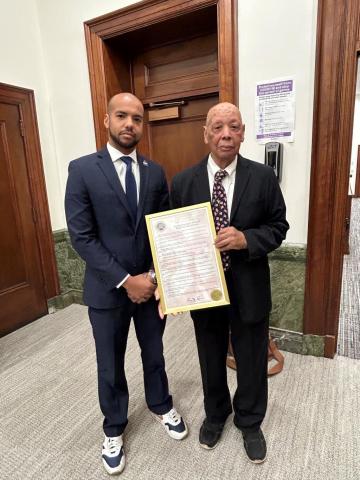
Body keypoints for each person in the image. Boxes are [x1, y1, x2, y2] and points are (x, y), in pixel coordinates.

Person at [65, 92, 187, 475]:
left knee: (154, 352)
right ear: (107, 120)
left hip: (150, 289)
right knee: (109, 363)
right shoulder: (82, 169)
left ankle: (161, 404)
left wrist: (150, 277)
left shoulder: (155, 171)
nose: (129, 124)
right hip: (107, 290)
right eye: (122, 116)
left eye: (137, 118)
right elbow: (81, 236)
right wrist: (124, 280)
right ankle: (114, 426)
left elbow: (163, 229)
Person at [170, 102, 289, 463]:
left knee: (252, 357)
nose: (226, 134)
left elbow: (278, 227)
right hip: (203, 288)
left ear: (243, 132)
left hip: (249, 286)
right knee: (209, 354)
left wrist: (246, 240)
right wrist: (173, 285)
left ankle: (250, 421)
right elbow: (174, 239)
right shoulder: (183, 182)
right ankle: (216, 414)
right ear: (205, 133)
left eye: (233, 127)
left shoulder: (263, 177)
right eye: (218, 127)